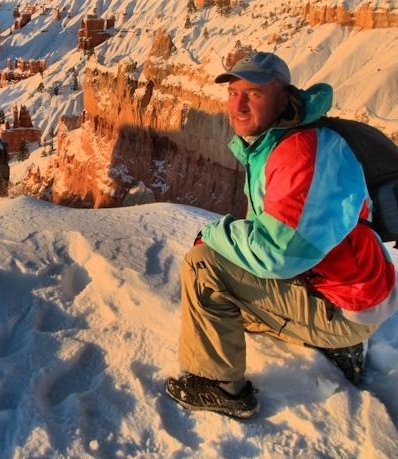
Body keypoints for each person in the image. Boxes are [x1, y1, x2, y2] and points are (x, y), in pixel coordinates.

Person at [164, 51, 398, 419]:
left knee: (203, 267)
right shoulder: (286, 139)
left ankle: (221, 387)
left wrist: (211, 232)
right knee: (235, 285)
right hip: (353, 288)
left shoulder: (299, 151)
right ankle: (339, 345)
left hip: (345, 306)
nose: (238, 104)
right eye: (233, 92)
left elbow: (276, 255)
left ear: (284, 97)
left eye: (254, 93)